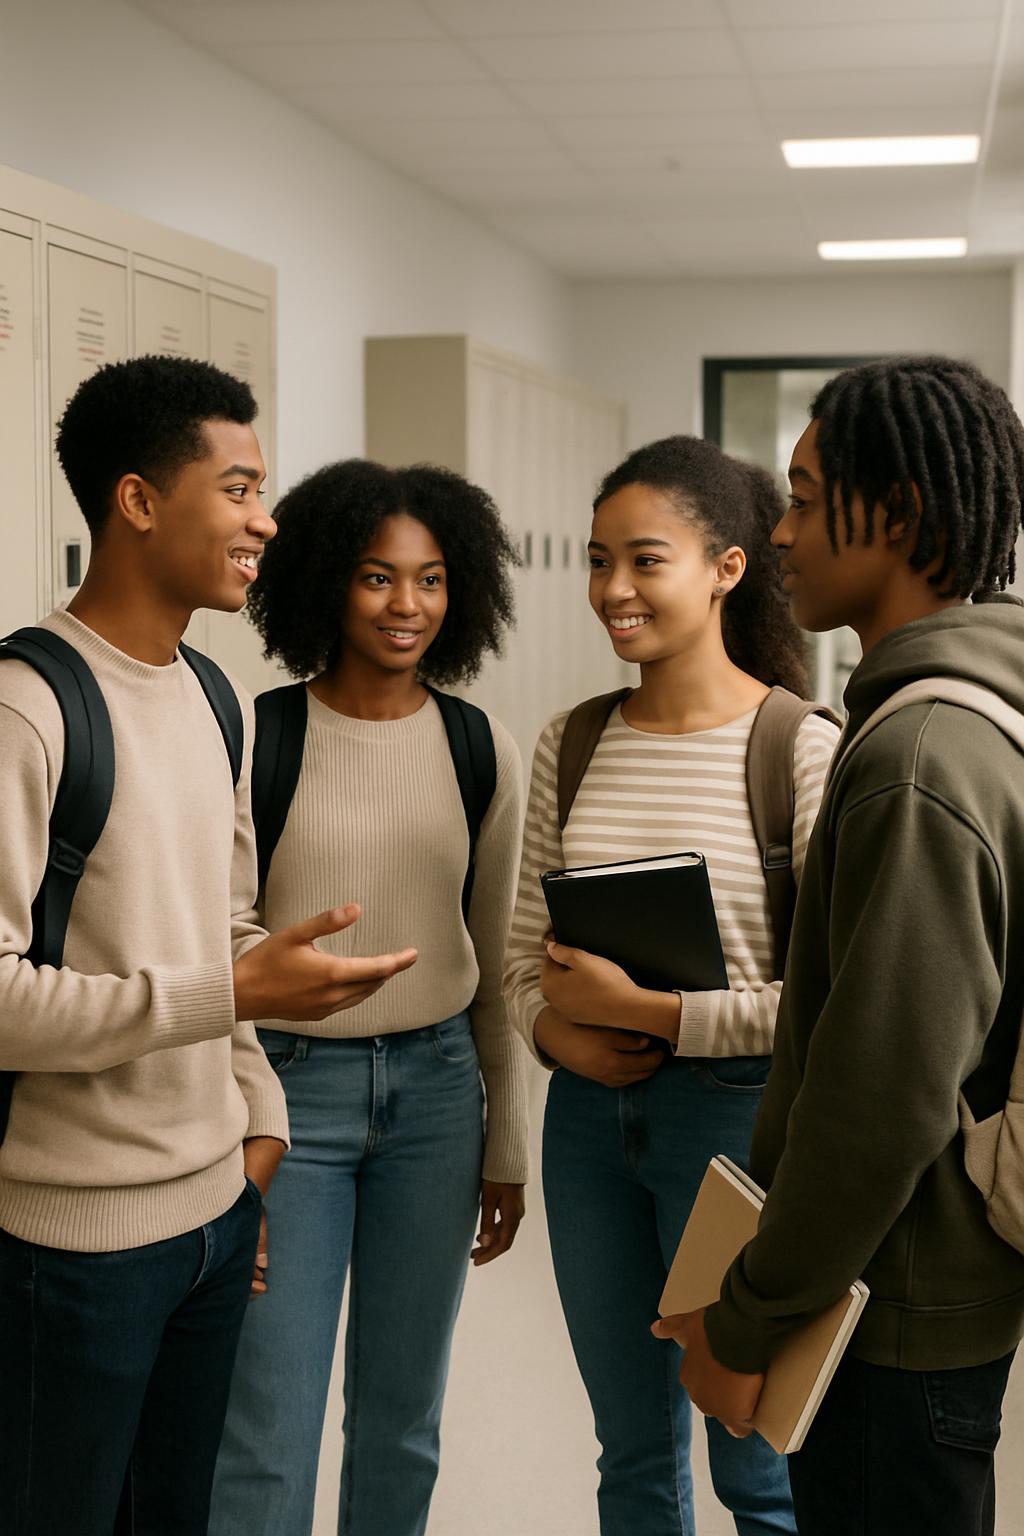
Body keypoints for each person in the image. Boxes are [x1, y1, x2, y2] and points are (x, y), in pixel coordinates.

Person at [0, 357, 416, 1536]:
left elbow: (219, 933)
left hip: (215, 1215)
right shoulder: (29, 708)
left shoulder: (214, 696)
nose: (265, 521)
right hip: (70, 1244)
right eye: (237, 489)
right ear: (138, 501)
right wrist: (226, 990)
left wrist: (259, 1123)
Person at [655, 356, 1024, 1536]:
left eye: (807, 500)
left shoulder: (917, 757)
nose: (780, 532)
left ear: (902, 515)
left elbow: (880, 1104)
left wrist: (749, 1318)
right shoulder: (974, 707)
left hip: (891, 1308)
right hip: (926, 1287)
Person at [504, 435, 839, 1536]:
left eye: (644, 560)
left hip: (736, 1126)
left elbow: (827, 1002)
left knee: (754, 1457)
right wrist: (558, 1035)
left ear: (727, 568)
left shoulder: (798, 748)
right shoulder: (574, 741)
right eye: (598, 561)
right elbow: (520, 959)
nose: (612, 589)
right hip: (588, 1129)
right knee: (632, 1456)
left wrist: (651, 1017)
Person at [210, 458, 529, 1536]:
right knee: (267, 1422)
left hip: (438, 1099)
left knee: (402, 1420)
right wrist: (239, 1124)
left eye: (432, 580)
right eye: (377, 578)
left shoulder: (478, 747)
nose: (407, 607)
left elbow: (486, 966)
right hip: (290, 1101)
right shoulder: (259, 735)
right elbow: (230, 957)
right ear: (322, 585)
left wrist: (506, 1146)